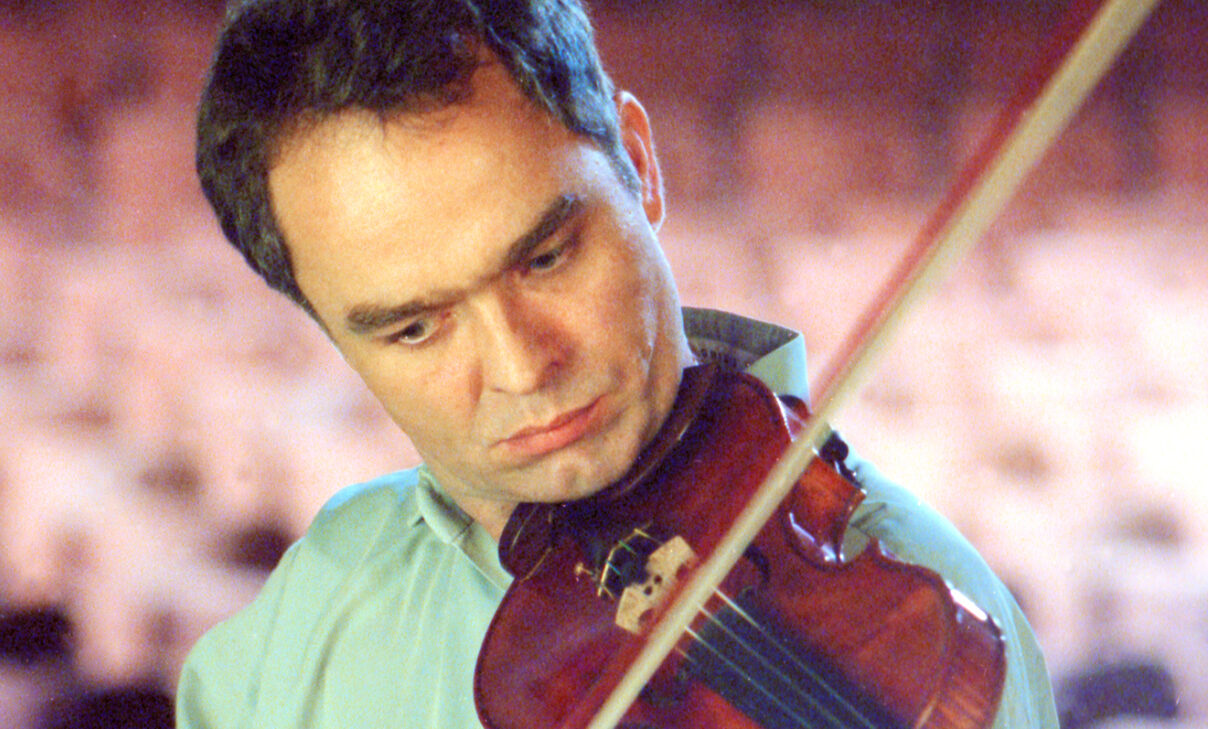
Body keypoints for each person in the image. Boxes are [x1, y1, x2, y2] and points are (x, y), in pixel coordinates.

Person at [177, 1, 1059, 727]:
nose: (523, 368)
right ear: (331, 334)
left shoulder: (916, 627)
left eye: (546, 257)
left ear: (638, 162)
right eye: (413, 328)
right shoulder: (301, 623)